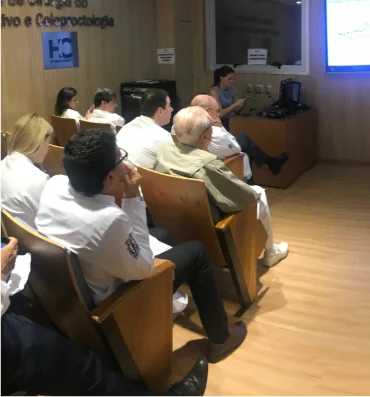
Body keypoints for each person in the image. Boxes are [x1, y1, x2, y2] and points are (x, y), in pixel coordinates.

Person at [35, 129, 247, 363]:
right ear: (109, 178)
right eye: (120, 157)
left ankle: (165, 306)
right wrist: (131, 196)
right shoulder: (107, 220)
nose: (124, 162)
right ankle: (221, 339)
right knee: (197, 252)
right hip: (115, 300)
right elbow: (144, 267)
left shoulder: (55, 185)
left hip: (78, 285)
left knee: (162, 233)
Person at [0, 238, 210, 397]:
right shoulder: (109, 219)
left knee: (77, 368)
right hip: (112, 306)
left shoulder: (50, 201)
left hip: (40, 314)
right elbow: (144, 267)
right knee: (85, 371)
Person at [155, 107, 289, 267]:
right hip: (215, 227)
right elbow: (245, 197)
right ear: (205, 136)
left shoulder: (164, 152)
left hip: (177, 224)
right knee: (258, 192)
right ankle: (271, 252)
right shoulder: (209, 164)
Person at [189, 95, 290, 178]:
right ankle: (270, 164)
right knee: (245, 147)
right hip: (220, 164)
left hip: (199, 166)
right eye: (217, 111)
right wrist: (221, 128)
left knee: (247, 148)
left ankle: (270, 163)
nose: (218, 114)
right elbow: (235, 147)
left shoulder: (183, 126)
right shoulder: (213, 132)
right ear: (207, 111)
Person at [0, 114, 52, 228]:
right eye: (48, 142)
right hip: (28, 236)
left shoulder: (2, 164)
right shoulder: (39, 180)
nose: (48, 148)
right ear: (39, 143)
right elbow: (48, 222)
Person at [116, 89, 174, 169]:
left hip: (118, 173)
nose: (172, 109)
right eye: (169, 106)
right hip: (139, 176)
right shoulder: (165, 137)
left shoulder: (126, 127)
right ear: (160, 111)